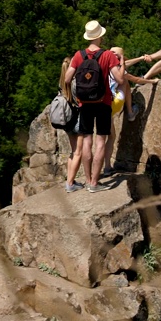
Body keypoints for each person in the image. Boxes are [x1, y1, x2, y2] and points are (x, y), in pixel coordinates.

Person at [64, 20, 124, 193]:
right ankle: (94, 184)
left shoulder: (78, 55)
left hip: (85, 104)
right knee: (100, 142)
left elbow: (67, 79)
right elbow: (119, 80)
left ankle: (88, 178)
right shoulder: (108, 56)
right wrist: (122, 63)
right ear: (101, 36)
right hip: (103, 102)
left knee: (87, 142)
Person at [102, 47, 159, 177]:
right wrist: (152, 81)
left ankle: (106, 168)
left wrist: (139, 58)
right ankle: (130, 111)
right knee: (125, 82)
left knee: (109, 138)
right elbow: (137, 80)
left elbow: (125, 64)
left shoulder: (105, 65)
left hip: (103, 105)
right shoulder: (119, 70)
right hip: (115, 103)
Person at [59, 56, 85, 193]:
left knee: (73, 151)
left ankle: (70, 180)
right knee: (78, 152)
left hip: (67, 120)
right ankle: (70, 184)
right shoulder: (76, 83)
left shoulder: (62, 84)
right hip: (78, 118)